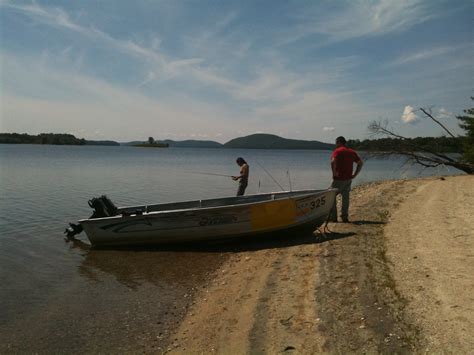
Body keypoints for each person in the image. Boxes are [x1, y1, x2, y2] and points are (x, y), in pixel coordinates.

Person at [330, 136, 363, 222]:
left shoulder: (337, 151)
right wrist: (355, 175)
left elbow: (333, 162)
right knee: (345, 198)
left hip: (338, 179)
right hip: (348, 179)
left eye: (336, 143)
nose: (336, 145)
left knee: (331, 196)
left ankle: (333, 217)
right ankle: (344, 217)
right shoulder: (351, 152)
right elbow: (360, 163)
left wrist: (334, 173)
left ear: (339, 142)